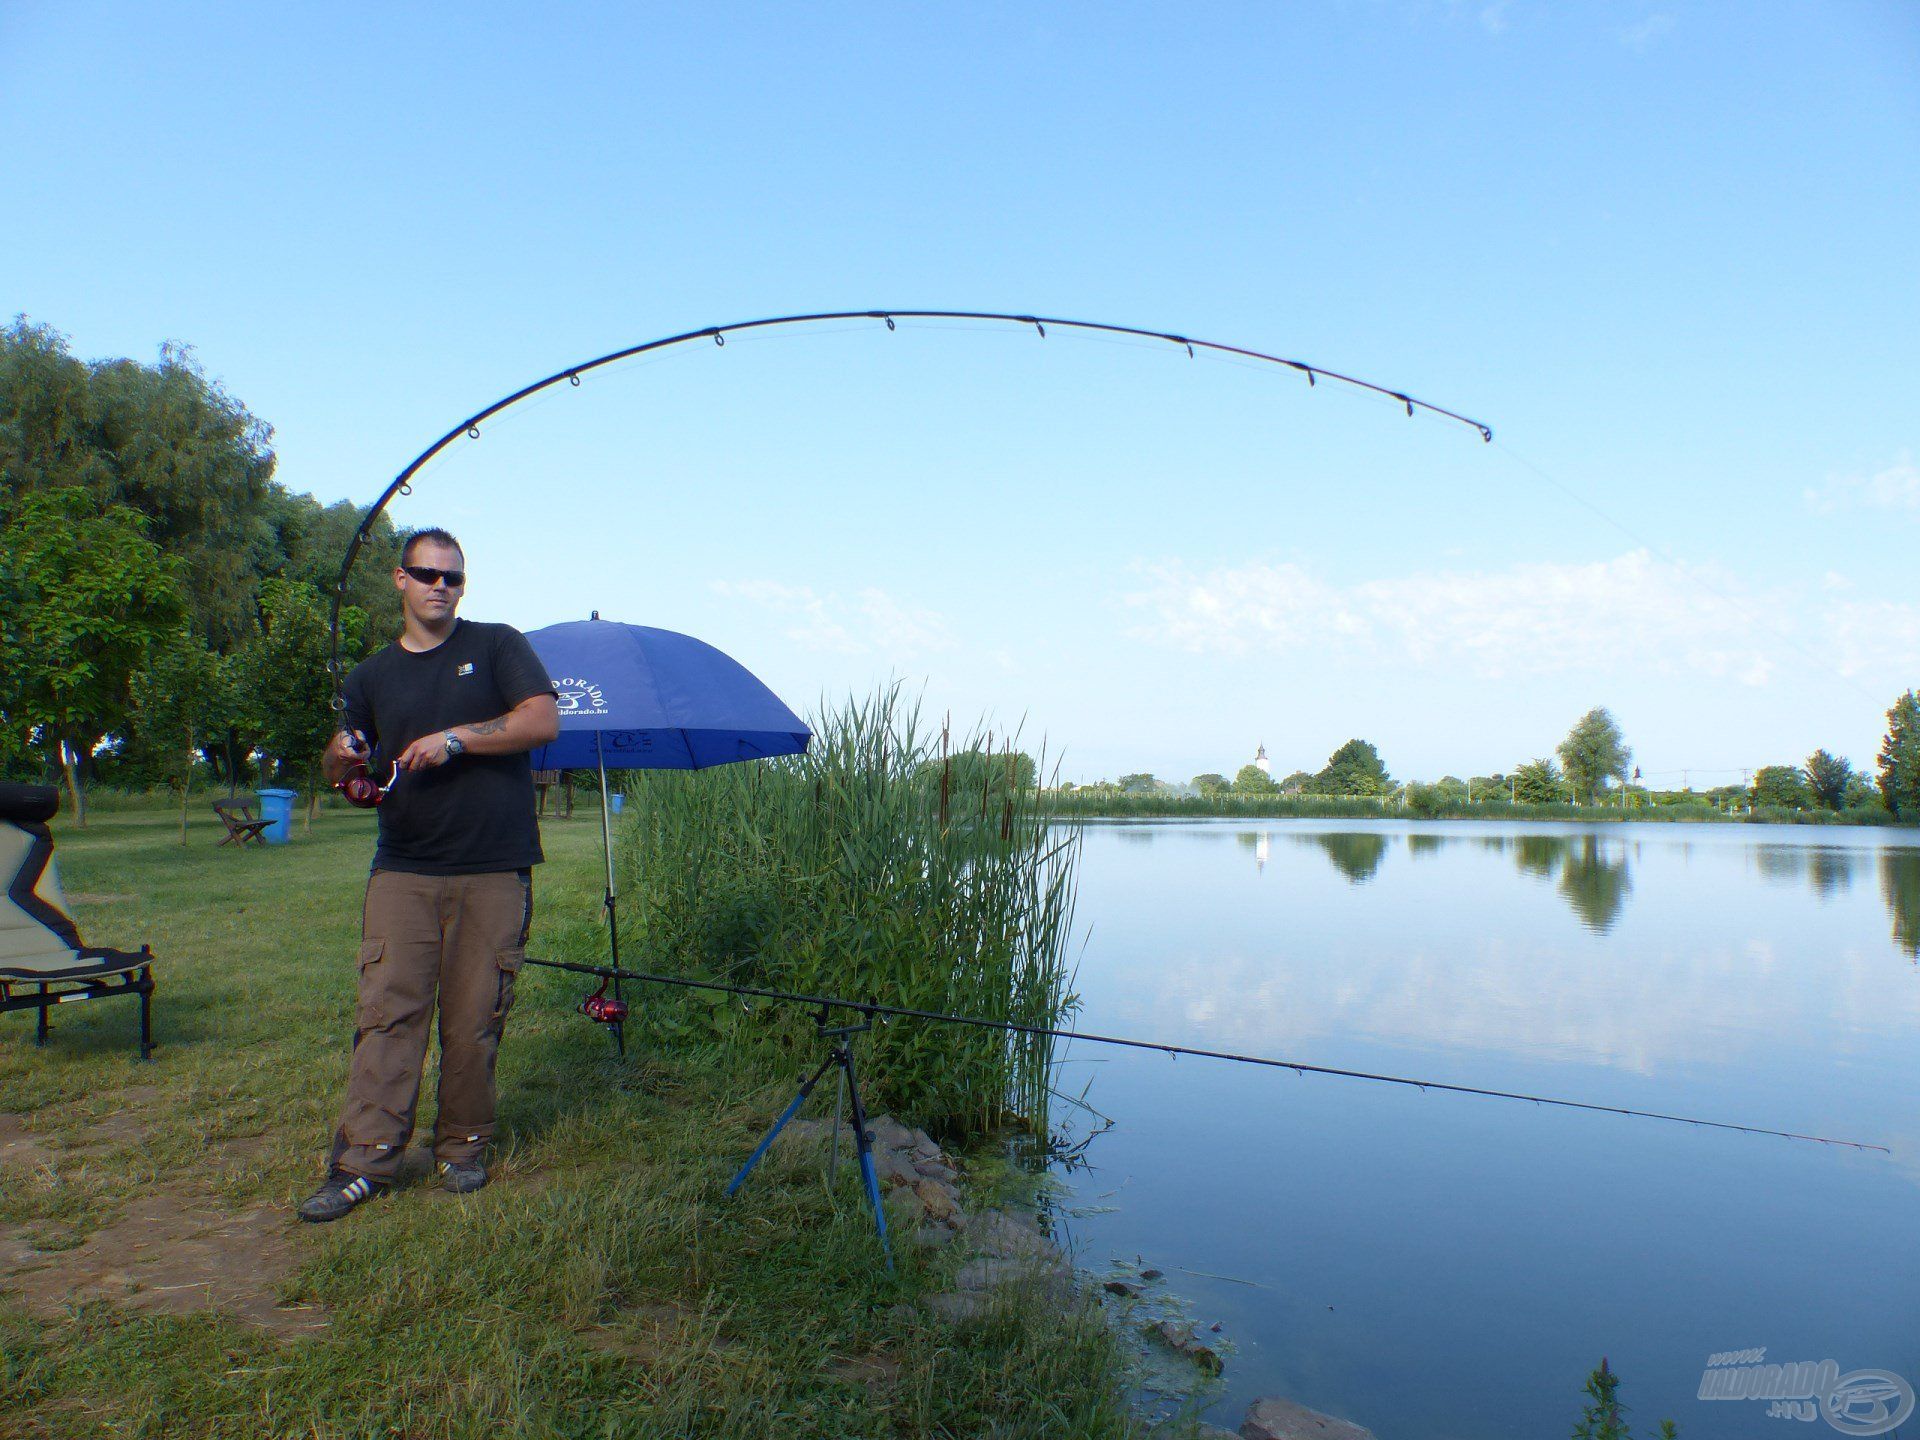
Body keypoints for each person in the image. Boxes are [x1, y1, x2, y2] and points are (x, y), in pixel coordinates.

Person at [300, 528, 559, 1223]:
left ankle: (462, 1147)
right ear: (400, 580)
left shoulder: (497, 645)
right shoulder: (370, 677)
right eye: (427, 574)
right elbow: (339, 767)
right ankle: (364, 1162)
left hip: (494, 868)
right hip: (404, 869)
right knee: (387, 1014)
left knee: (475, 1020)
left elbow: (540, 721)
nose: (441, 586)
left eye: (453, 577)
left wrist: (457, 739)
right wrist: (341, 755)